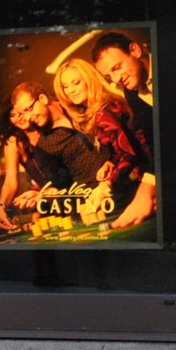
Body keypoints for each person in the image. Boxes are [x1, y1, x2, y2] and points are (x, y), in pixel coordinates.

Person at [53, 58, 156, 228]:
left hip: (151, 179)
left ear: (89, 80)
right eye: (65, 86)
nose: (71, 90)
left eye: (76, 82)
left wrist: (106, 185)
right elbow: (124, 147)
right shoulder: (102, 107)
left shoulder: (103, 112)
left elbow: (131, 154)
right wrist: (111, 162)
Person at [0, 82, 108, 233]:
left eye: (24, 112)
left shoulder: (52, 125)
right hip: (58, 198)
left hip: (83, 191)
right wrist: (2, 207)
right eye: (14, 115)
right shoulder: (16, 142)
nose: (23, 118)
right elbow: (10, 182)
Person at [90, 31, 155, 144]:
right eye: (109, 77)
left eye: (117, 68)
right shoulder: (130, 94)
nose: (115, 79)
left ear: (135, 50)